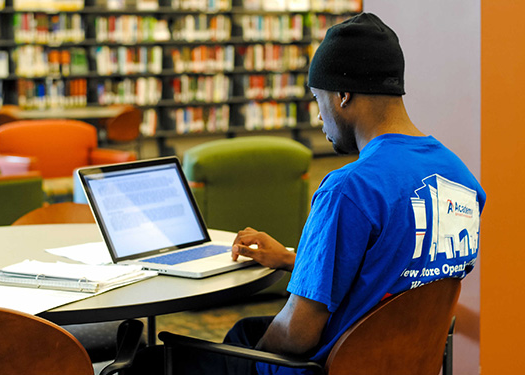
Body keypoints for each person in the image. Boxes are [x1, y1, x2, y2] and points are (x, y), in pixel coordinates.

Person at [129, 12, 486, 375]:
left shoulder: (349, 190)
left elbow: (298, 334)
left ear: (342, 96)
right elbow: (391, 273)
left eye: (318, 99)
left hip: (327, 366)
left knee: (147, 363)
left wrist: (252, 363)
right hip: (402, 360)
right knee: (243, 332)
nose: (319, 118)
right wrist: (292, 259)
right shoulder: (462, 182)